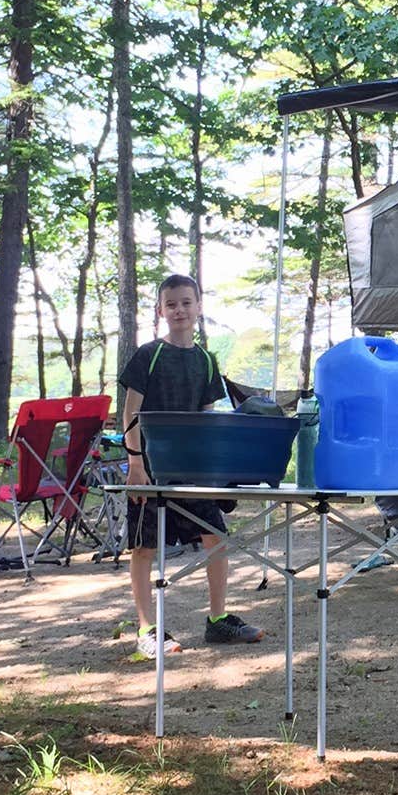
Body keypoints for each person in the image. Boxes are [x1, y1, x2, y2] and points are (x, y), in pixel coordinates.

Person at [116, 273, 264, 660]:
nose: (179, 310)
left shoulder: (206, 361)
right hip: (149, 468)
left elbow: (207, 419)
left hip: (193, 469)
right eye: (171, 304)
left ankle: (217, 620)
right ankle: (147, 628)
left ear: (199, 307)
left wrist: (214, 468)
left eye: (186, 302)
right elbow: (130, 414)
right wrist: (135, 463)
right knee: (144, 546)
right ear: (161, 310)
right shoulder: (148, 356)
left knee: (216, 537)